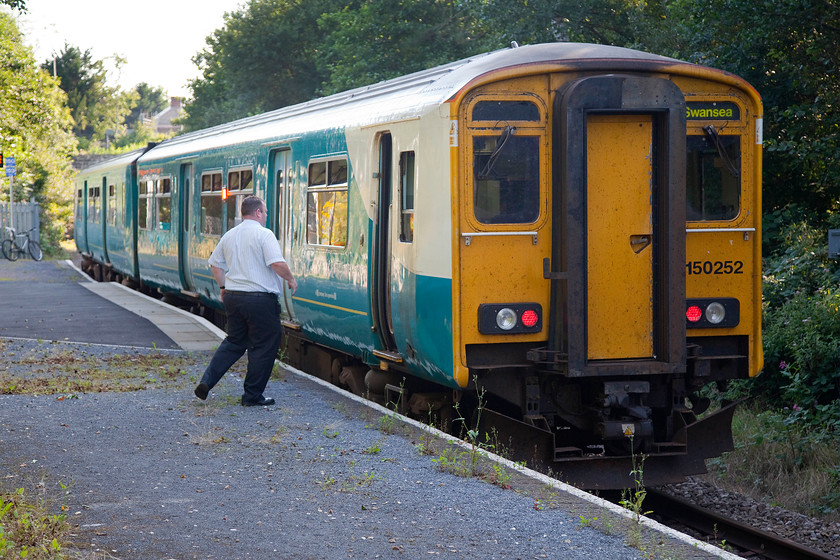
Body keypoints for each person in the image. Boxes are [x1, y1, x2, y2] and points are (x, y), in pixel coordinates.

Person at [194, 195, 297, 406]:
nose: (266, 216)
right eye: (265, 212)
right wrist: (291, 278)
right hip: (260, 300)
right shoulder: (264, 234)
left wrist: (223, 287)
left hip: (234, 296)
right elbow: (276, 263)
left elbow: (215, 264)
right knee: (264, 344)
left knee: (234, 341)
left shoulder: (230, 235)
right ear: (258, 212)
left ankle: (206, 381)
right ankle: (252, 396)